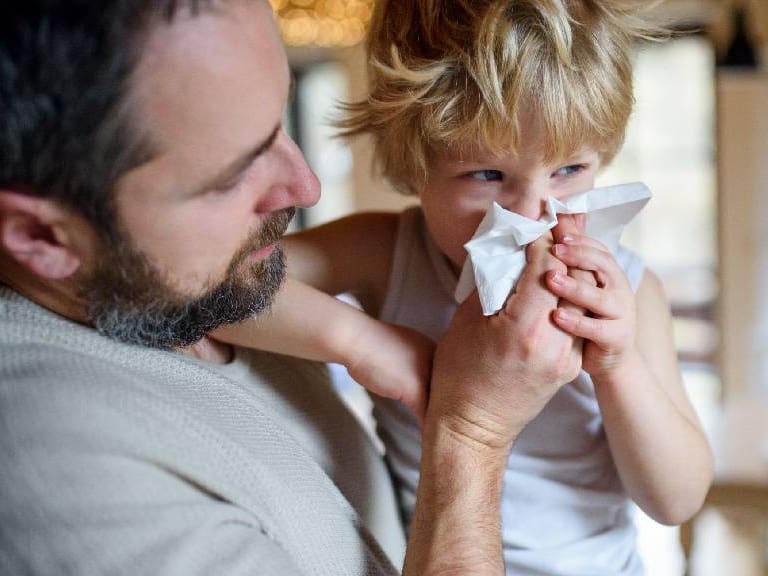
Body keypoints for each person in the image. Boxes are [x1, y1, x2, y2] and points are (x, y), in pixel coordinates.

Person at [0, 1, 591, 574]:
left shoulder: (207, 283)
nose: (306, 187)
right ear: (40, 235)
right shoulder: (53, 468)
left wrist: (356, 338)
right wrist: (472, 434)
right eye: (231, 176)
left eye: (278, 124)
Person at [213, 0, 714, 574]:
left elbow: (675, 500)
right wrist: (370, 344)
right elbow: (210, 287)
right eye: (486, 175)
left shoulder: (625, 288)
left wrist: (619, 366)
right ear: (415, 166)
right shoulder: (387, 252)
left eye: (569, 171)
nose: (532, 213)